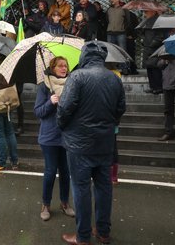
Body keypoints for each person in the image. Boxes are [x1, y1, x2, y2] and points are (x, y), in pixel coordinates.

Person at [57, 42, 126, 245]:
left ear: (84, 56)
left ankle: (83, 236)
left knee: (81, 188)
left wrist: (63, 125)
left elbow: (64, 109)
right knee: (104, 187)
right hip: (104, 142)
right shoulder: (114, 78)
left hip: (79, 144)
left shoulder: (77, 77)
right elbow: (120, 108)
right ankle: (103, 232)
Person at [34, 56, 75, 221]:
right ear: (53, 68)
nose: (64, 69)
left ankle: (65, 203)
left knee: (66, 172)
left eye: (66, 66)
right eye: (60, 66)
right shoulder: (45, 87)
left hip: (67, 136)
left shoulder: (72, 85)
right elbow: (38, 112)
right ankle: (45, 204)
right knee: (50, 172)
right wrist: (50, 102)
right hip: (49, 137)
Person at [139, 10, 165, 94]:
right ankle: (152, 86)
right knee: (149, 68)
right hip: (147, 47)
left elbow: (160, 36)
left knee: (155, 68)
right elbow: (143, 33)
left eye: (147, 11)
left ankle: (158, 87)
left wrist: (152, 44)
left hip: (154, 49)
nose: (145, 13)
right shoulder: (146, 21)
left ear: (153, 12)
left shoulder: (159, 21)